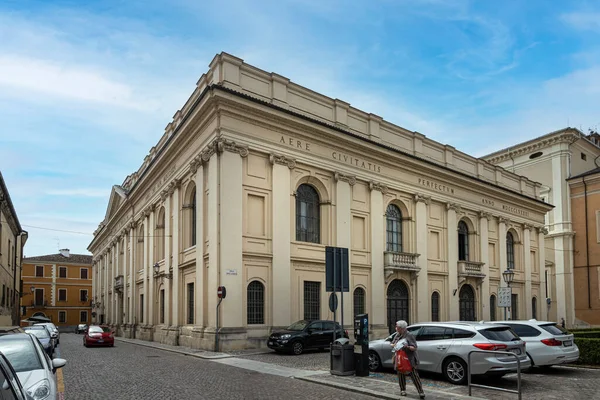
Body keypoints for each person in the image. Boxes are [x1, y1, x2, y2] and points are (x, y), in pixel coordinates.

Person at [391, 320, 425, 399]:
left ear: (401, 328)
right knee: (400, 374)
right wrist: (393, 345)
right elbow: (393, 343)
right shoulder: (397, 335)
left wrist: (407, 347)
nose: (396, 328)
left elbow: (414, 347)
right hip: (400, 358)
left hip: (409, 359)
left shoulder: (409, 335)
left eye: (397, 327)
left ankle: (420, 391)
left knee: (414, 375)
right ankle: (403, 390)